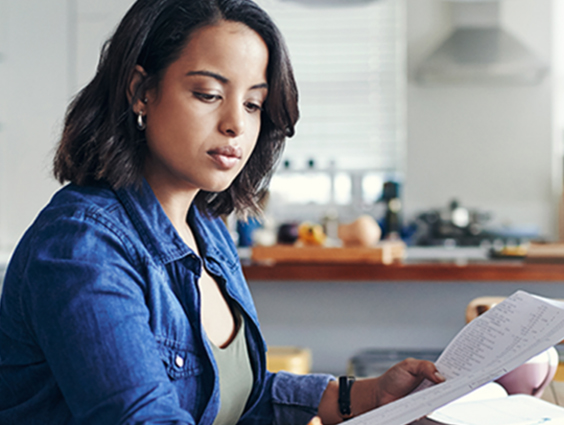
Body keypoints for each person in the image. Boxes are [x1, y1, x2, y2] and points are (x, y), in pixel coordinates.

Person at [0, 0, 444, 424]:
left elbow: (233, 398)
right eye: (209, 94)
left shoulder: (207, 229)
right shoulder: (83, 247)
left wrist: (366, 398)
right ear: (141, 92)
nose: (236, 123)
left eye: (253, 103)